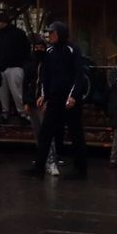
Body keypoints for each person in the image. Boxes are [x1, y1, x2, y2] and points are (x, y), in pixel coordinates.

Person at [27, 22, 86, 179]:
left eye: (53, 33)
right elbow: (46, 77)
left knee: (75, 133)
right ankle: (39, 166)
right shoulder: (50, 52)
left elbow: (78, 75)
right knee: (46, 132)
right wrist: (43, 95)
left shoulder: (72, 50)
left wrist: (73, 95)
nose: (50, 36)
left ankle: (81, 168)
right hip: (54, 99)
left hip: (70, 99)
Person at [0, 12, 31, 124]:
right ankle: (6, 112)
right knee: (3, 91)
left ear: (2, 22)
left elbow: (25, 49)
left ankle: (22, 112)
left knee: (17, 91)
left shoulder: (17, 34)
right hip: (2, 67)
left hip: (14, 66)